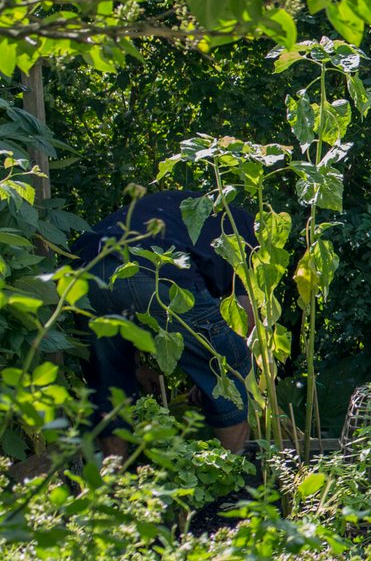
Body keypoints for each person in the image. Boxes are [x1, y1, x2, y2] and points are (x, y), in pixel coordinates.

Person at [74, 190, 258, 454]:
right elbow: (245, 318)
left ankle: (114, 476)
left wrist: (137, 368)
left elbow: (125, 304)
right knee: (228, 368)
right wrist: (209, 373)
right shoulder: (251, 234)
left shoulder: (191, 211)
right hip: (153, 268)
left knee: (109, 382)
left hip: (86, 265)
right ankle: (234, 468)